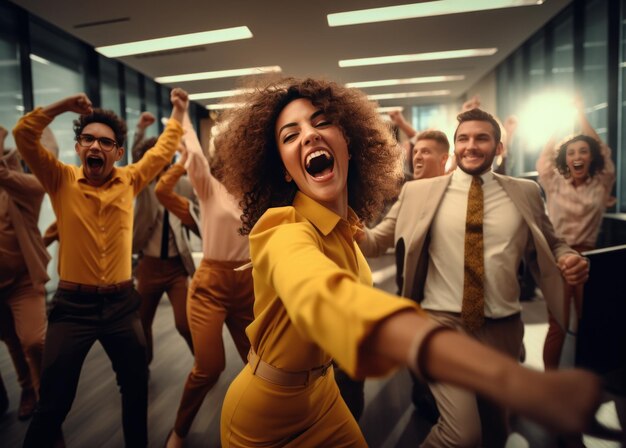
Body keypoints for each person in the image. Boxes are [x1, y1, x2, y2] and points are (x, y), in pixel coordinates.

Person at [214, 77, 600, 447]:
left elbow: (549, 241)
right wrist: (513, 381)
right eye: (290, 134)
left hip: (325, 392)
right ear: (283, 167)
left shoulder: (346, 228)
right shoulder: (283, 230)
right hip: (266, 418)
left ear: (348, 142)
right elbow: (326, 297)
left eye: (321, 122)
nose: (310, 135)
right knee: (463, 433)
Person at [358, 105, 591, 447]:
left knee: (495, 431)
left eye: (482, 138)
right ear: (455, 147)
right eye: (463, 139)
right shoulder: (420, 192)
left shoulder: (525, 192)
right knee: (462, 433)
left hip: (503, 328)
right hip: (441, 324)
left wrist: (569, 256)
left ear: (498, 148)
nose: (471, 145)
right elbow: (376, 241)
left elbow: (553, 242)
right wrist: (341, 215)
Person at [13, 88, 188, 447]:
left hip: (122, 305)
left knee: (136, 387)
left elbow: (162, 150)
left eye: (105, 143)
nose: (95, 147)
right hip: (72, 309)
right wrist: (63, 106)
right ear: (78, 147)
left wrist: (180, 111)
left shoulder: (130, 180)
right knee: (54, 404)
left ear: (118, 153)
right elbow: (23, 134)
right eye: (88, 140)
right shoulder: (58, 178)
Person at [163, 113, 254, 448]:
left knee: (259, 366)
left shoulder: (264, 197)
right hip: (210, 288)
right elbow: (195, 153)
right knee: (209, 367)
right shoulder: (209, 187)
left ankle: (259, 428)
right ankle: (179, 430)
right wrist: (181, 112)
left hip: (249, 285)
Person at [537, 98, 616, 371]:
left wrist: (581, 114)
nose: (577, 157)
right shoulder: (555, 183)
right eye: (571, 153)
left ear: (590, 156)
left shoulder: (601, 182)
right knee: (557, 323)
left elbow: (604, 152)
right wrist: (559, 122)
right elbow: (544, 160)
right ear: (566, 159)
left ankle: (585, 380)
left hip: (589, 258)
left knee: (588, 322)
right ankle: (550, 381)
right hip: (559, 256)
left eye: (583, 151)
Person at [131, 114, 198, 366]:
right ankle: (142, 367)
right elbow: (136, 156)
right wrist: (140, 130)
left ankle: (202, 365)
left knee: (184, 323)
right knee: (141, 322)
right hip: (148, 266)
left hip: (176, 267)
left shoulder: (183, 185)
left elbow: (196, 216)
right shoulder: (143, 184)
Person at [0, 126, 48, 421]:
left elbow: (38, 186)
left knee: (33, 341)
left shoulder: (23, 190)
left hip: (23, 283)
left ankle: (45, 400)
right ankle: (27, 389)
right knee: (11, 340)